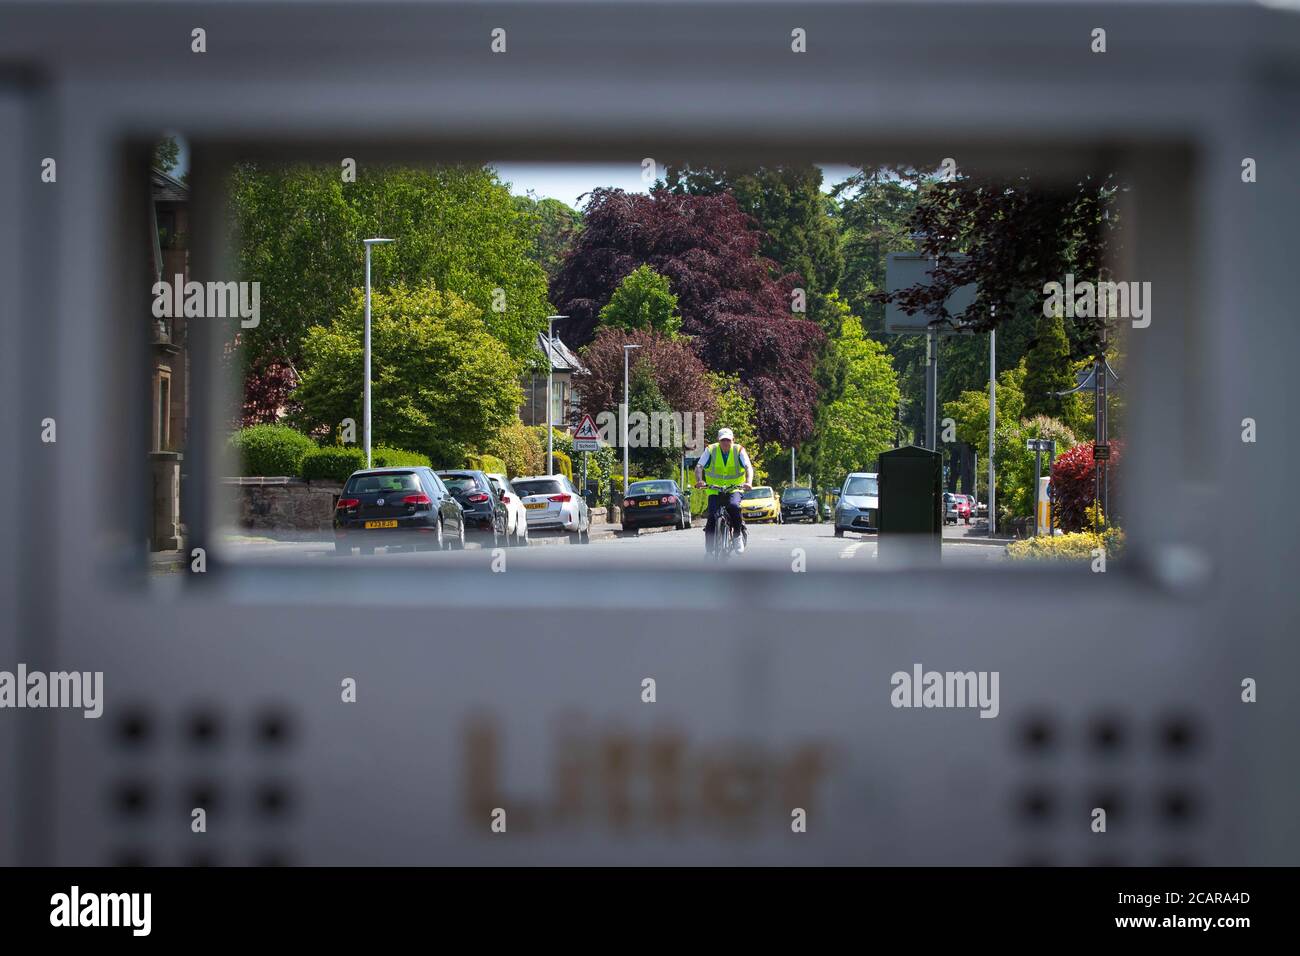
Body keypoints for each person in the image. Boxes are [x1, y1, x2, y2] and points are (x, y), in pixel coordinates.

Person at [695, 427, 753, 554]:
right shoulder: (710, 450)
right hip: (715, 490)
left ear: (733, 440)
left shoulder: (739, 450)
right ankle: (709, 551)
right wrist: (699, 480)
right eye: (723, 440)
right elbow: (699, 466)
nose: (726, 443)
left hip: (734, 489)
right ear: (718, 440)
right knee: (711, 518)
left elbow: (748, 467)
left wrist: (748, 482)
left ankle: (737, 536)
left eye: (728, 440)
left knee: (733, 507)